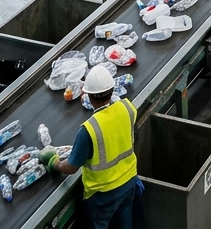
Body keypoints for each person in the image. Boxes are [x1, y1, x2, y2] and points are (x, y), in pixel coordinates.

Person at [40, 65, 141, 229]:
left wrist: (55, 163)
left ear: (88, 96)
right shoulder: (127, 108)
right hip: (128, 183)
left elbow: (72, 167)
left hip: (102, 195)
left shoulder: (89, 130)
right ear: (112, 89)